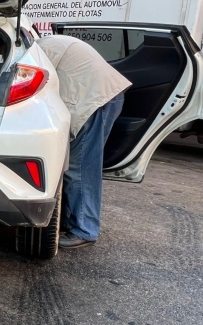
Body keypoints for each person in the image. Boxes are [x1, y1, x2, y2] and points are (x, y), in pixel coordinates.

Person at [36, 34, 131, 249]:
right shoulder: (47, 44)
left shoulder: (38, 53)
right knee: (80, 166)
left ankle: (84, 230)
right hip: (103, 95)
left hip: (92, 99)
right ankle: (72, 221)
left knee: (80, 169)